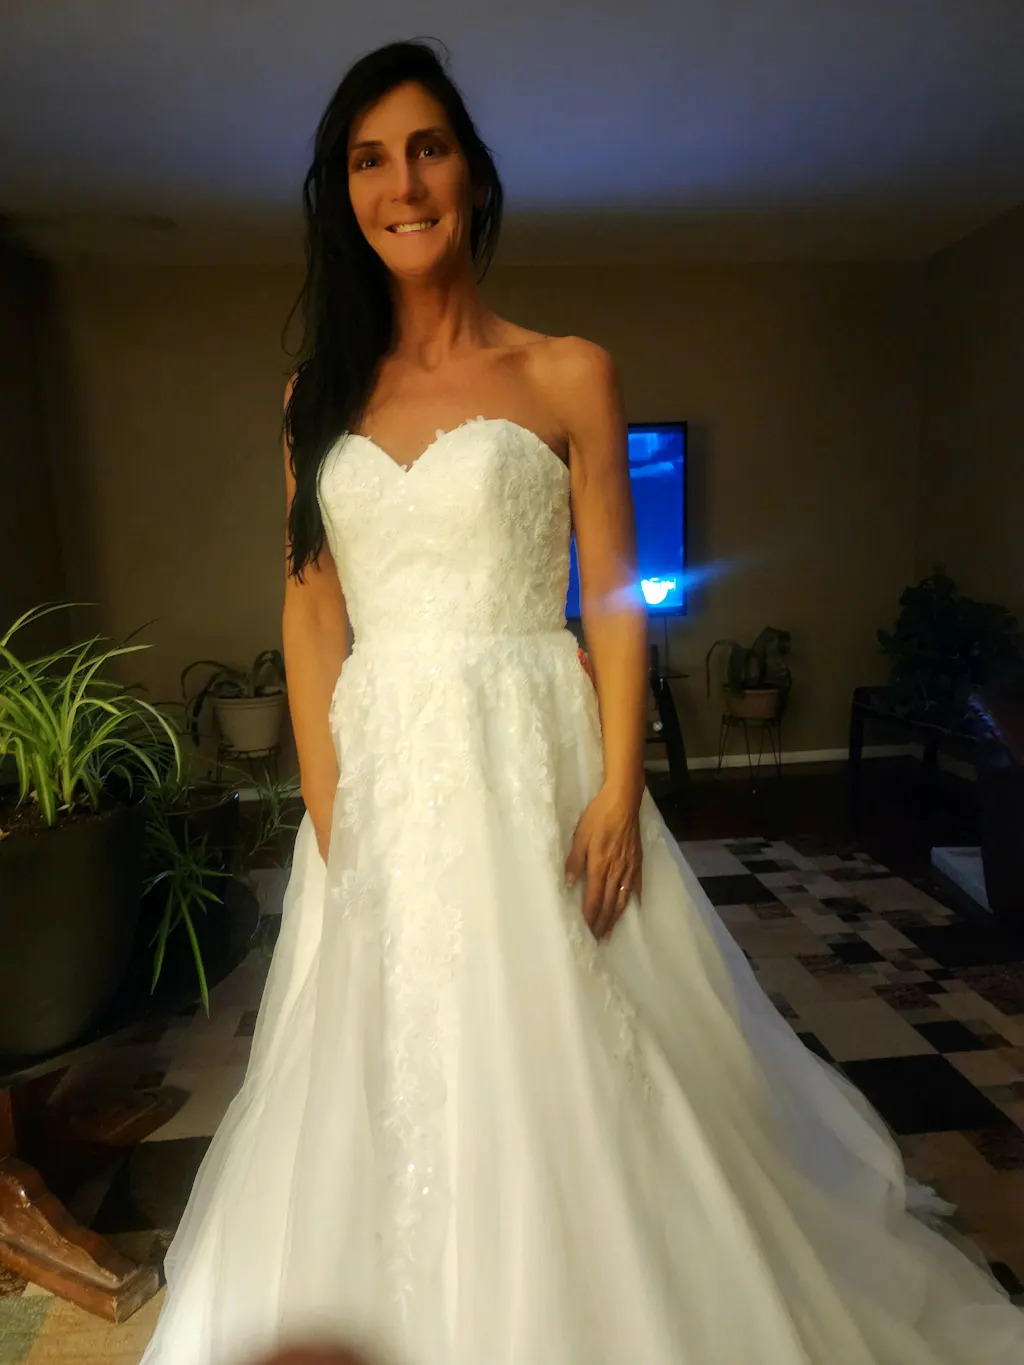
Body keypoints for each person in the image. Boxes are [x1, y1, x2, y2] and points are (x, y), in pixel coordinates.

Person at [139, 38, 1024, 1365]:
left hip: (530, 752)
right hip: (378, 778)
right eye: (369, 160)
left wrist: (620, 785)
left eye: (427, 148)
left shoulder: (568, 372)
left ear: (473, 174)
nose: (402, 184)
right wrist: (326, 798)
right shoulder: (310, 400)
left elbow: (611, 597)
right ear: (343, 194)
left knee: (569, 1053)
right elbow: (310, 606)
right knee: (386, 1059)